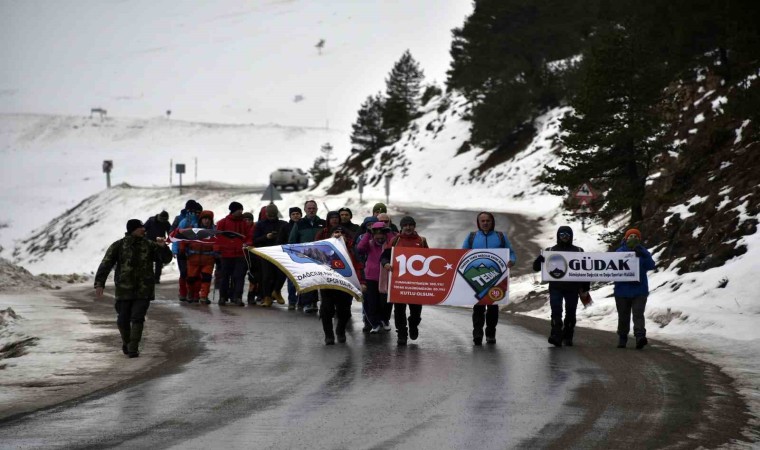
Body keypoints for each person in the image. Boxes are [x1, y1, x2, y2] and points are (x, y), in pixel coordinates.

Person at [94, 219, 172, 358]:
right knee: (122, 319)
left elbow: (165, 259)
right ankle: (127, 342)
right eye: (141, 228)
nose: (144, 230)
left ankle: (133, 347)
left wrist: (163, 247)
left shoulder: (149, 245)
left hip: (144, 289)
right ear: (133, 229)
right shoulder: (119, 245)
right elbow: (106, 264)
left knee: (137, 317)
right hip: (124, 289)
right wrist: (100, 283)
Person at [462, 211, 516, 345]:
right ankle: (477, 332)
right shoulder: (472, 237)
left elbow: (511, 253)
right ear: (478, 223)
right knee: (479, 307)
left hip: (497, 277)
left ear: (492, 222)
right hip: (477, 277)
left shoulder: (501, 236)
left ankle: (491, 332)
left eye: (488, 221)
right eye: (483, 221)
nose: (485, 223)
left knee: (493, 308)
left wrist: (512, 261)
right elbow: (462, 254)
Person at [532, 226, 590, 347]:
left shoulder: (579, 251)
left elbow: (585, 268)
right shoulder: (550, 250)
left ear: (571, 236)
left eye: (567, 234)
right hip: (556, 287)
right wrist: (540, 260)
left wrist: (585, 286)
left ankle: (568, 336)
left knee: (571, 312)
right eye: (562, 234)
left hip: (573, 288)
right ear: (558, 235)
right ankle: (556, 335)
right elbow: (536, 268)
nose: (564, 236)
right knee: (556, 310)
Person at [380, 216, 429, 346]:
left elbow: (430, 259)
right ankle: (401, 333)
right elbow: (384, 256)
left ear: (414, 226)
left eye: (410, 225)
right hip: (399, 282)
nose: (408, 227)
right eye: (405, 225)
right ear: (401, 227)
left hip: (416, 283)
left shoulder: (422, 241)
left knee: (416, 311)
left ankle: (413, 325)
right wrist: (385, 264)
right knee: (399, 310)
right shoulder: (395, 240)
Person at [320, 226, 364, 345]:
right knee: (326, 310)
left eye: (341, 232)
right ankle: (329, 335)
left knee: (344, 311)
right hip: (327, 285)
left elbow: (359, 266)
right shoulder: (323, 248)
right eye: (336, 232)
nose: (339, 234)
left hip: (346, 285)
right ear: (331, 235)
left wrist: (362, 282)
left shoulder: (352, 250)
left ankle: (340, 330)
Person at [614, 228, 656, 349]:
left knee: (638, 314)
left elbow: (651, 265)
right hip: (622, 290)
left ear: (639, 239)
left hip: (639, 290)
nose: (633, 238)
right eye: (630, 236)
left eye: (636, 236)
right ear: (626, 238)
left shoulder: (643, 252)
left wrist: (643, 254)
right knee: (623, 316)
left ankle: (640, 337)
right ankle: (622, 337)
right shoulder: (619, 252)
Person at [358, 221, 396, 333]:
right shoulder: (369, 244)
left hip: (386, 276)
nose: (379, 238)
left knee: (386, 302)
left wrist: (387, 232)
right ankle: (375, 323)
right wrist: (368, 233)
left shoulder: (389, 243)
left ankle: (385, 320)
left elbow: (394, 241)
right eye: (377, 236)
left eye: (382, 235)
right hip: (371, 277)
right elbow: (360, 248)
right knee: (372, 302)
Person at [288, 200, 326, 313]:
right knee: (308, 280)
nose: (311, 210)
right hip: (304, 257)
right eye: (309, 208)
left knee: (319, 280)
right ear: (305, 210)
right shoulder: (299, 224)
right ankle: (308, 303)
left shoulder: (323, 223)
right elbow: (292, 240)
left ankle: (318, 302)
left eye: (313, 208)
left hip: (321, 256)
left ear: (317, 209)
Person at [215, 202, 255, 306]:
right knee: (225, 277)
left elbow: (249, 236)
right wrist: (217, 250)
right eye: (239, 209)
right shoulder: (222, 222)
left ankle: (238, 297)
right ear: (233, 210)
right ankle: (222, 297)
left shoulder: (243, 223)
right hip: (225, 254)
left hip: (240, 255)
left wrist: (248, 243)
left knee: (239, 277)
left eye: (241, 209)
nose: (241, 211)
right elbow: (217, 237)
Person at [253, 203, 288, 307]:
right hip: (266, 253)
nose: (272, 217)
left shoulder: (283, 224)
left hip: (279, 252)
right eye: (270, 214)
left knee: (282, 274)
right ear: (266, 214)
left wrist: (279, 237)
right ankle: (267, 297)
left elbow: (287, 238)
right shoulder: (260, 224)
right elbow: (255, 240)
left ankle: (276, 291)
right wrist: (266, 237)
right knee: (267, 276)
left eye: (274, 214)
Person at [185, 210, 217, 305]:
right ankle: (190, 293)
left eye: (208, 219)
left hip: (208, 260)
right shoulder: (192, 230)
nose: (206, 221)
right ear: (201, 220)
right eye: (205, 219)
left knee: (206, 279)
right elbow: (184, 240)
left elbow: (217, 243)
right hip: (193, 259)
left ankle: (203, 296)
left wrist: (217, 252)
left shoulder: (214, 231)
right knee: (191, 279)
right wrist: (182, 250)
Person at [172, 201, 202, 302]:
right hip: (182, 251)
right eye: (193, 211)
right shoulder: (182, 220)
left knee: (193, 274)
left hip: (194, 252)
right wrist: (175, 249)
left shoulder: (202, 221)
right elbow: (174, 234)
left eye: (198, 212)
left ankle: (193, 293)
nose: (196, 214)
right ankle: (183, 293)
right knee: (184, 273)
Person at [279, 206, 303, 310]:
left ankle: (301, 301)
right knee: (291, 281)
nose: (295, 215)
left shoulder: (304, 225)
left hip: (303, 256)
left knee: (303, 280)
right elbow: (280, 241)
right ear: (290, 216)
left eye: (297, 213)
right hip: (290, 257)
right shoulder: (285, 227)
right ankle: (292, 301)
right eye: (293, 214)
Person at [144, 210, 171, 283]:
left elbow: (170, 233)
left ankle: (156, 278)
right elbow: (143, 229)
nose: (163, 221)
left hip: (160, 243)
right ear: (159, 217)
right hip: (149, 243)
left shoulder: (166, 223)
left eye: (165, 220)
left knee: (159, 261)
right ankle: (148, 277)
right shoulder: (151, 220)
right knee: (148, 261)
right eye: (162, 219)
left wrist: (168, 240)